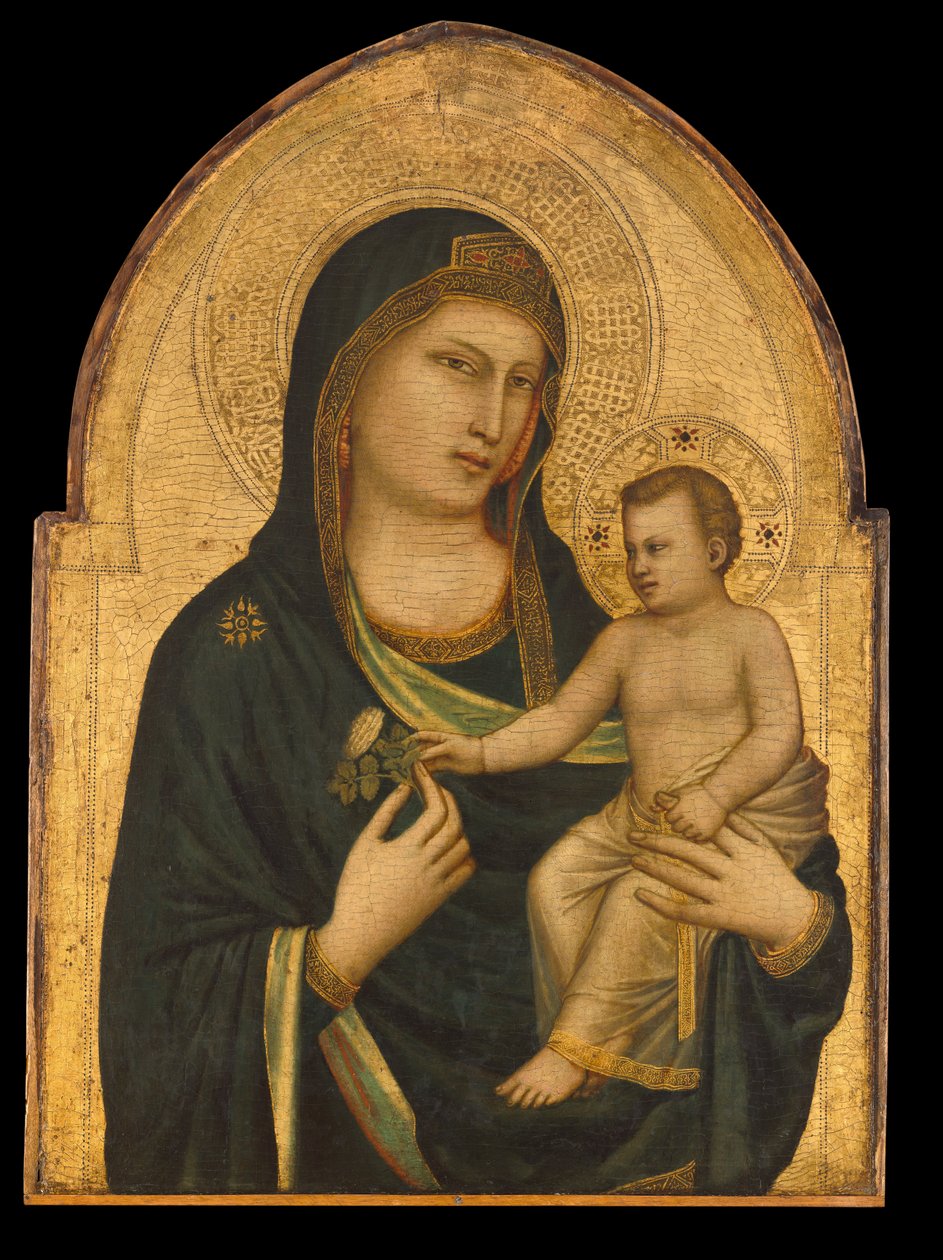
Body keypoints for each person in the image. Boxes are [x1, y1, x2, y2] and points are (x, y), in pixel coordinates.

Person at [99, 208, 852, 1195]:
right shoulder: (234, 653)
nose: (493, 416)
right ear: (345, 378)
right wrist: (337, 952)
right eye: (456, 365)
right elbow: (154, 1001)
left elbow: (792, 885)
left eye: (523, 380)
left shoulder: (610, 632)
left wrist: (790, 926)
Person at [418, 465, 831, 1108]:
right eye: (631, 549)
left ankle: (569, 1050)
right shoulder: (625, 639)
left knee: (638, 897)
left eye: (657, 548)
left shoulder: (751, 633)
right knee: (555, 880)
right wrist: (480, 753)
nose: (639, 566)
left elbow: (779, 733)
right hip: (638, 816)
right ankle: (602, 1047)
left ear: (713, 553)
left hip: (735, 817)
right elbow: (562, 721)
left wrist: (716, 797)